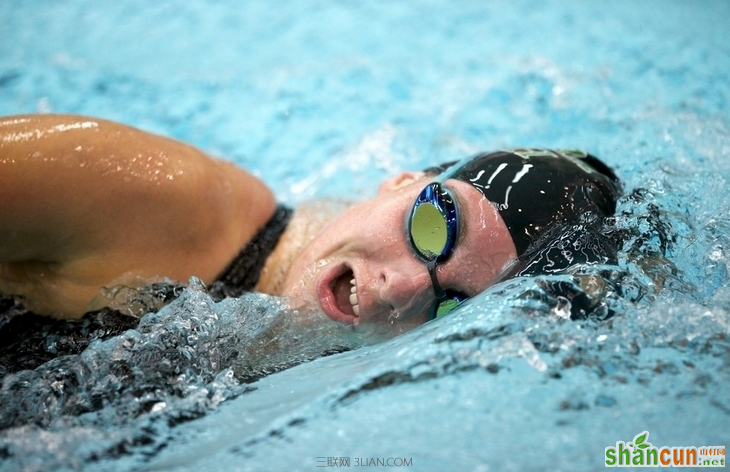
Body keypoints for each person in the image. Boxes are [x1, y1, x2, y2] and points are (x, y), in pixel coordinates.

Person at [0, 114, 621, 328]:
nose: (403, 289)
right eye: (434, 228)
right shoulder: (160, 196)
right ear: (402, 181)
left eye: (449, 305)